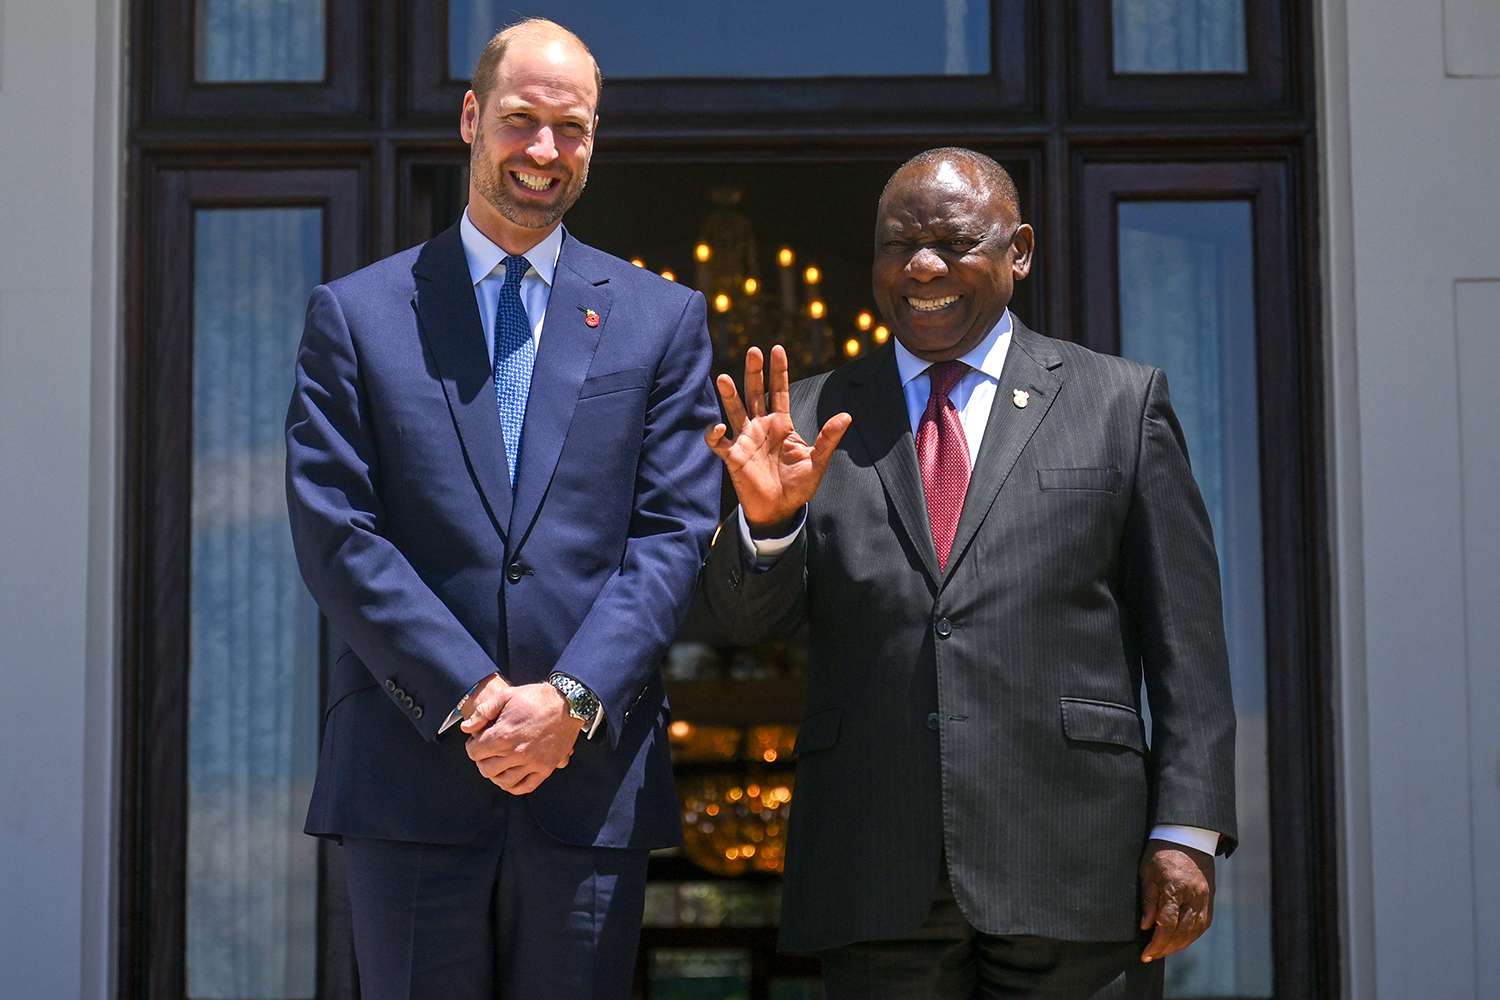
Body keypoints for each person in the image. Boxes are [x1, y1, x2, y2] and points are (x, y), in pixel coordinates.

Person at [701, 147, 1236, 999]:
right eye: (897, 244)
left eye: (952, 243)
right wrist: (769, 523)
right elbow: (743, 628)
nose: (921, 267)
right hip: (875, 871)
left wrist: (1186, 832)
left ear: (1017, 251)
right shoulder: (807, 418)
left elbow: (1188, 648)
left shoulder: (1118, 404)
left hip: (1076, 866)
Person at [284, 18, 719, 999]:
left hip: (589, 784)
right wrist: (477, 699)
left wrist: (568, 700)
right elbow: (335, 531)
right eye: (523, 121)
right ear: (473, 119)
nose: (545, 152)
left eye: (573, 130)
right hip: (409, 774)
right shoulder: (356, 315)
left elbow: (675, 532)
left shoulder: (663, 321)